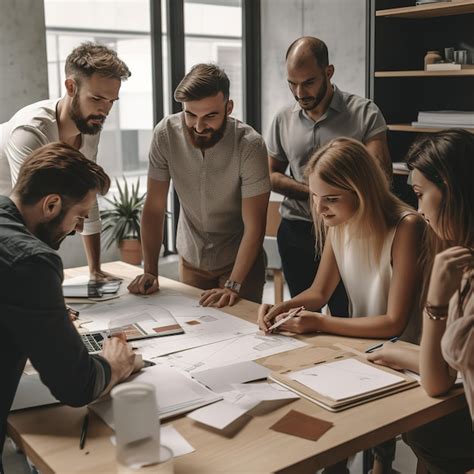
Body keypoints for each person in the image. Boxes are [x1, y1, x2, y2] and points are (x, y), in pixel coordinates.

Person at [0, 143, 141, 466]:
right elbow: (77, 386)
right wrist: (114, 363)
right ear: (51, 204)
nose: (78, 229)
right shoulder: (34, 262)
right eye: (79, 216)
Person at [367, 129, 474, 474]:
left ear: (451, 190)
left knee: (427, 432)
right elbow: (446, 368)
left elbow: (437, 380)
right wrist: (393, 351)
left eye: (420, 194)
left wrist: (435, 304)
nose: (418, 208)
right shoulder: (461, 259)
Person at [128, 64, 270, 307]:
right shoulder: (165, 135)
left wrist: (233, 284)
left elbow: (255, 226)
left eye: (210, 116)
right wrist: (150, 270)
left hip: (240, 263)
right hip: (192, 259)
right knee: (194, 333)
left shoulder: (250, 146)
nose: (199, 126)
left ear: (229, 107)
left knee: (239, 337)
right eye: (190, 115)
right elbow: (154, 207)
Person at [267, 36, 391, 314]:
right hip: (297, 230)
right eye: (292, 83)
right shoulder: (282, 119)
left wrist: (330, 198)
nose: (299, 93)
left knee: (345, 313)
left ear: (329, 72)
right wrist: (313, 195)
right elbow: (270, 176)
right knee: (301, 314)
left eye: (308, 82)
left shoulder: (364, 114)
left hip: (351, 231)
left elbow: (379, 178)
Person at [0, 41, 131, 281]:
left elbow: (87, 194)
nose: (105, 110)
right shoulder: (30, 132)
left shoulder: (90, 124)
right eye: (97, 98)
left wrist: (95, 270)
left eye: (111, 101)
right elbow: (33, 213)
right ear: (71, 86)